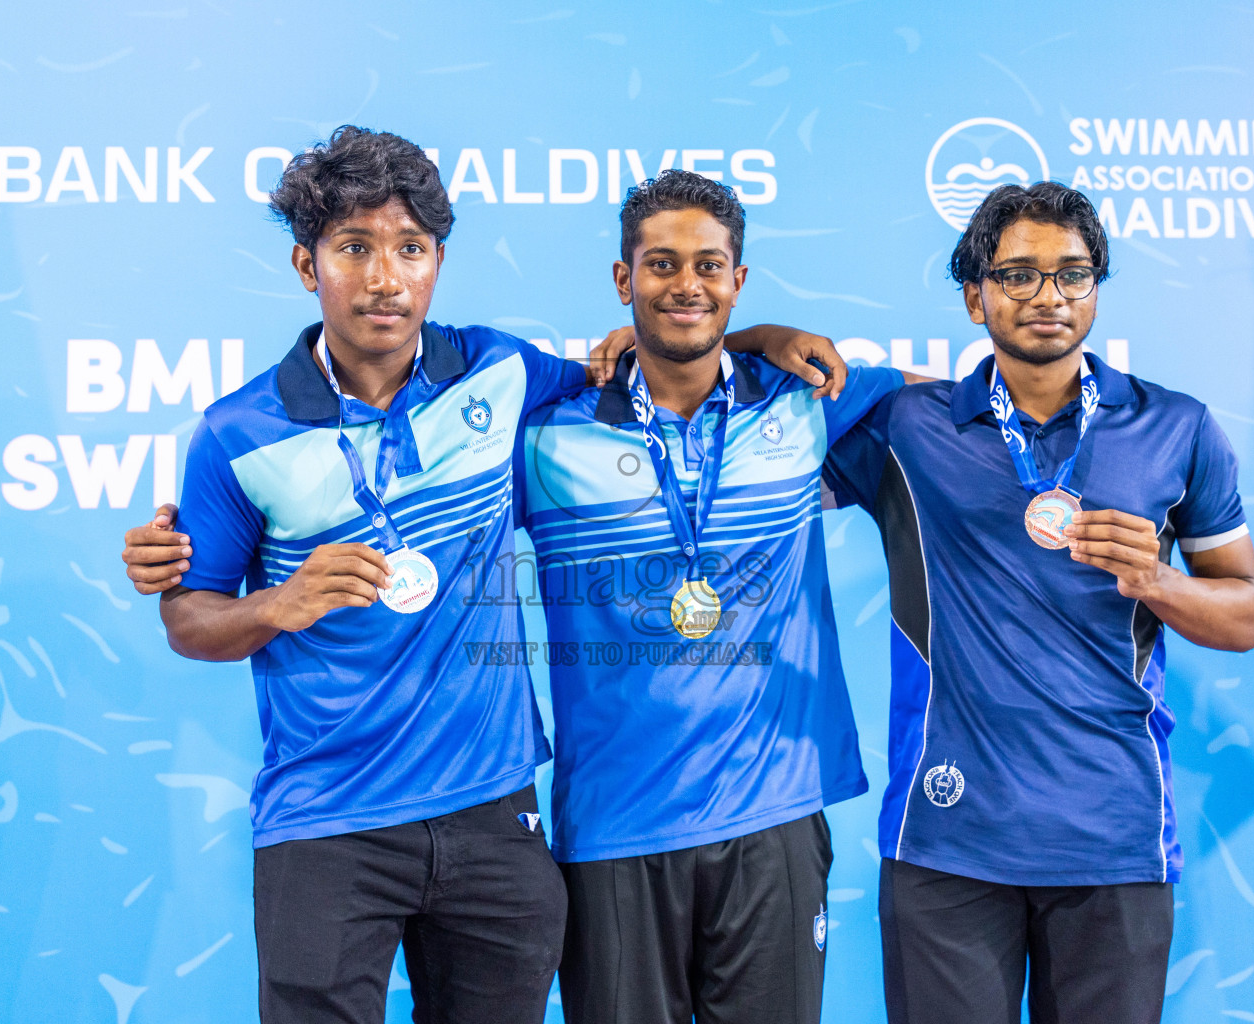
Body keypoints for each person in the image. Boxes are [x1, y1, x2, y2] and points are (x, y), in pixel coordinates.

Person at [120, 129, 840, 1024]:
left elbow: (664, 355)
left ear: (437, 262)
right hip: (328, 820)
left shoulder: (499, 369)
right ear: (308, 266)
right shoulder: (238, 431)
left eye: (409, 250)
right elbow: (190, 619)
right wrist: (279, 602)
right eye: (355, 249)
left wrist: (764, 334)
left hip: (495, 819)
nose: (386, 277)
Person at [822, 181, 1254, 1024]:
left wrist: (1159, 582)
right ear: (974, 294)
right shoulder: (906, 425)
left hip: (1115, 838)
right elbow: (739, 420)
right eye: (1018, 275)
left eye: (1072, 274)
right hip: (946, 836)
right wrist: (765, 336)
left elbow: (1247, 614)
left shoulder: (1175, 426)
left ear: (1096, 287)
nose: (1048, 297)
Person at [515, 170, 909, 1024]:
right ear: (624, 282)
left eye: (708, 266)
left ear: (738, 279)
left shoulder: (810, 404)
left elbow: (960, 417)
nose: (684, 285)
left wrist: (765, 338)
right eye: (661, 265)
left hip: (772, 817)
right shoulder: (547, 429)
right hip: (617, 828)